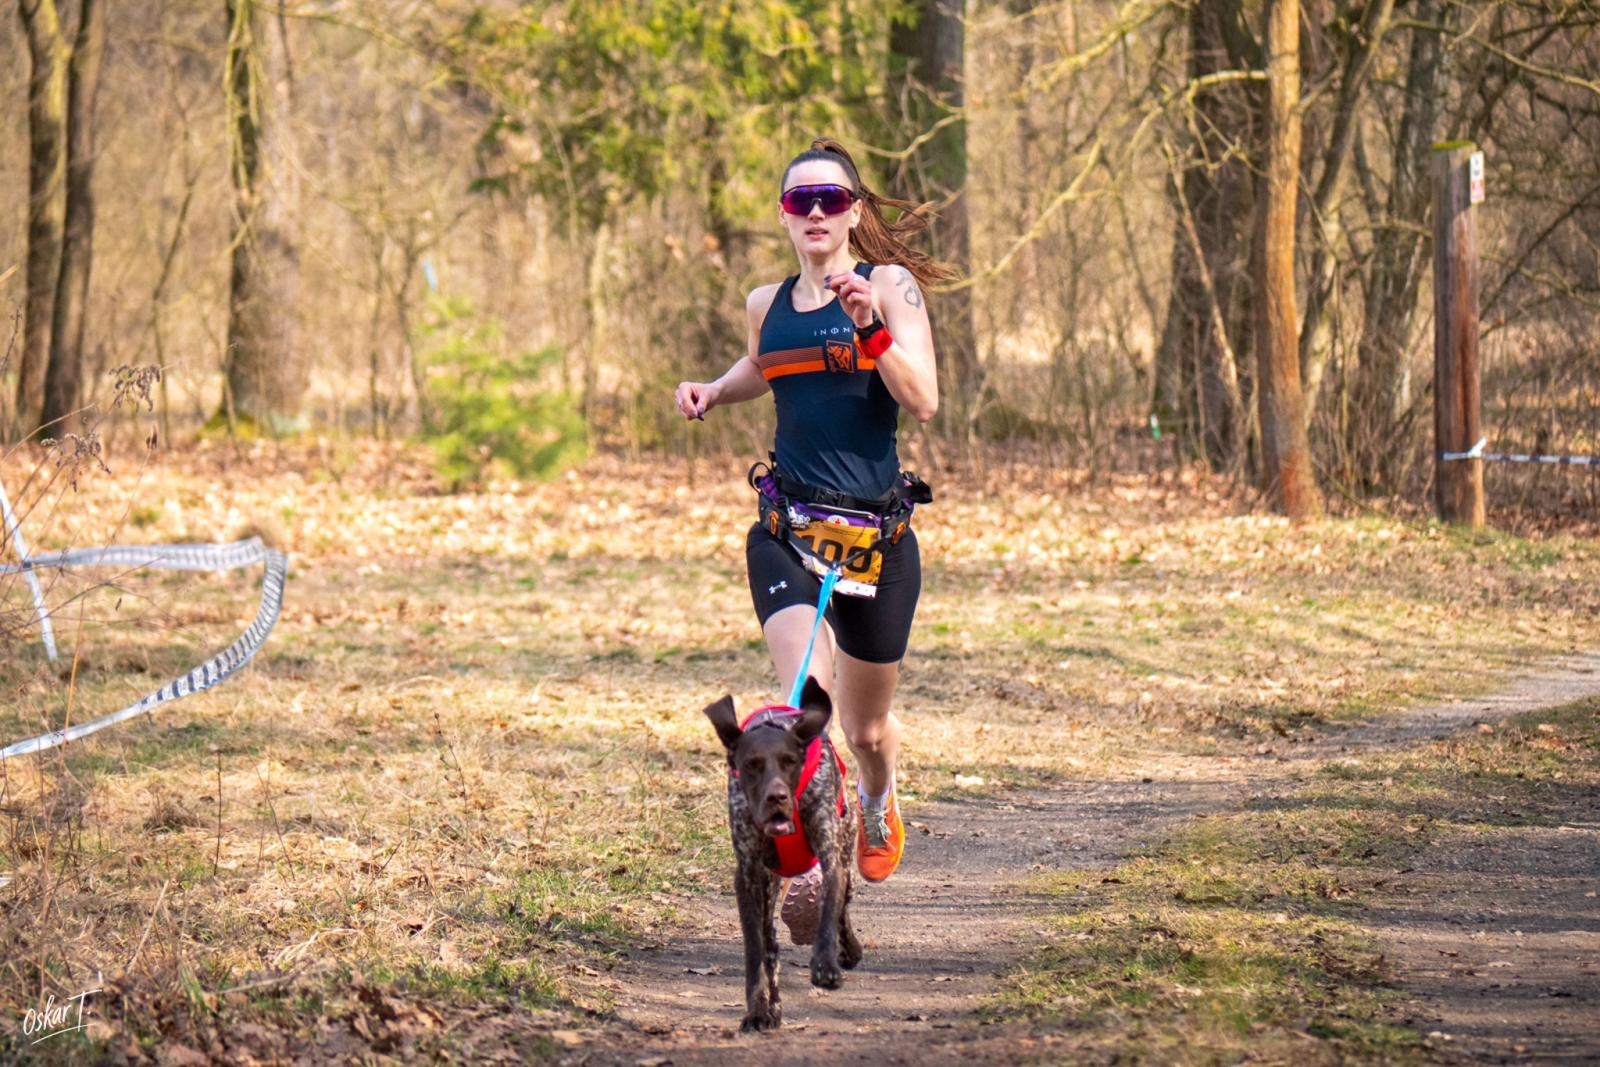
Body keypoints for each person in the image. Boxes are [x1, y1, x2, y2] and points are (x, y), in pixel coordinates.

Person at [674, 137, 953, 884]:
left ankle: (879, 794)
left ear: (854, 211)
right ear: (785, 216)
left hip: (876, 544)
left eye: (833, 200)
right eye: (803, 201)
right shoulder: (764, 303)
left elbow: (923, 400)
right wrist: (712, 388)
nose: (818, 212)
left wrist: (869, 326)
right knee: (809, 703)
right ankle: (806, 873)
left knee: (863, 729)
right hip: (788, 533)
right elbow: (763, 367)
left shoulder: (888, 285)